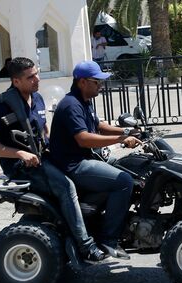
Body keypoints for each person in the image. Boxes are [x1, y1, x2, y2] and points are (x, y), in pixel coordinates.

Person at [0, 57, 106, 262]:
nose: (37, 79)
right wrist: (19, 153)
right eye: (30, 77)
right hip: (21, 167)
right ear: (16, 81)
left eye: (37, 73)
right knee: (67, 187)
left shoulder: (37, 98)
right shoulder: (1, 106)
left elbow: (43, 129)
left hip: (43, 159)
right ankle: (86, 245)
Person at [49, 61, 140, 260]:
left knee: (132, 168)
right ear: (82, 82)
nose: (100, 85)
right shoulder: (71, 105)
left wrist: (131, 131)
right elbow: (83, 139)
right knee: (124, 181)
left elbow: (99, 125)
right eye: (96, 81)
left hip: (86, 158)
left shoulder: (84, 101)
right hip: (74, 165)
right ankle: (109, 239)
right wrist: (122, 139)